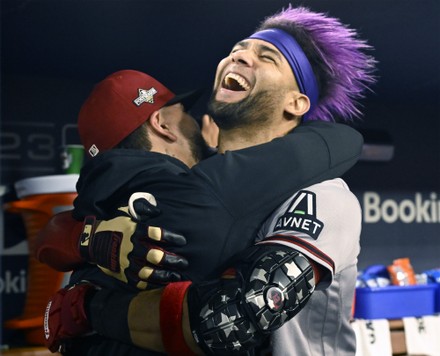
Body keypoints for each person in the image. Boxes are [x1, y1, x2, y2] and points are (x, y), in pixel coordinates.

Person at [37, 5, 376, 355]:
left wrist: (88, 308)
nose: (240, 57)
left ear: (297, 102)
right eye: (235, 51)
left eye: (268, 56)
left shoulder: (323, 195)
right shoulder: (180, 185)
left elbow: (229, 321)